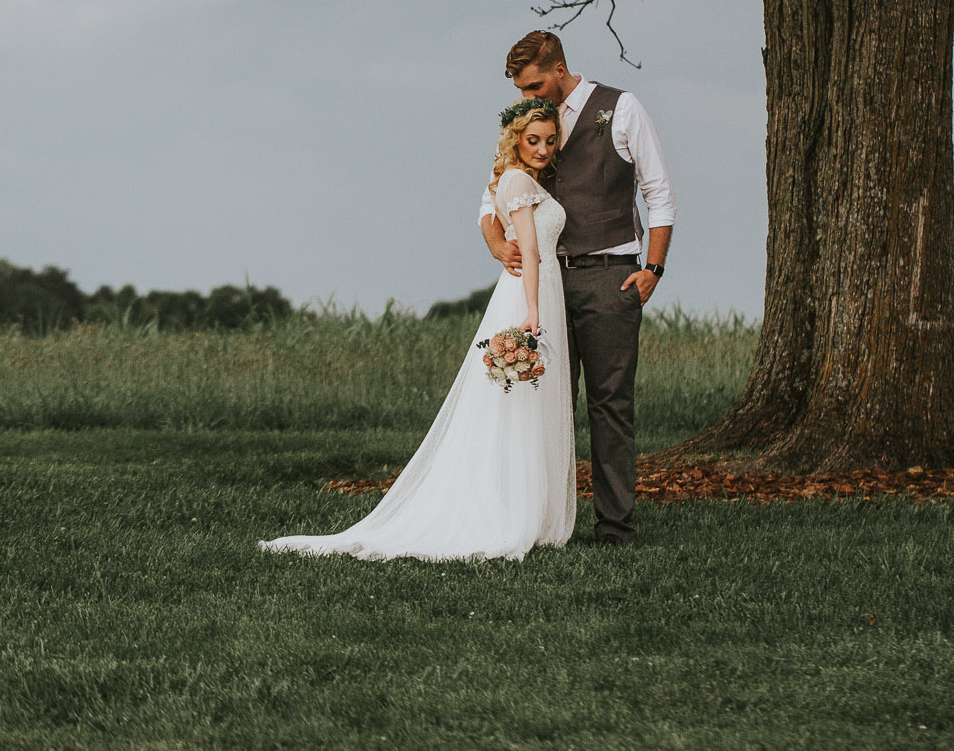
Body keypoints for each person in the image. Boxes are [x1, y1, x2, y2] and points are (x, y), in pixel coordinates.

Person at [260, 102, 576, 563]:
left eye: (550, 141)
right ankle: (512, 511)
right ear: (515, 139)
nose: (543, 149)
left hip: (538, 288)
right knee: (516, 403)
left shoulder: (519, 181)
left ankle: (529, 507)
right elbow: (529, 249)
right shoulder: (517, 182)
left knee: (527, 403)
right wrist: (533, 311)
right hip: (530, 292)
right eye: (534, 140)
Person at [480, 31, 675, 546]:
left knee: (610, 405)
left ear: (560, 69)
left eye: (535, 85)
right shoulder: (527, 121)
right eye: (522, 90)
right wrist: (498, 245)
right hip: (544, 283)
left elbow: (659, 194)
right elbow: (489, 199)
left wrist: (653, 268)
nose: (529, 97)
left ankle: (614, 527)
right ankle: (541, 524)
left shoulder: (622, 108)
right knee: (543, 403)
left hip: (611, 276)